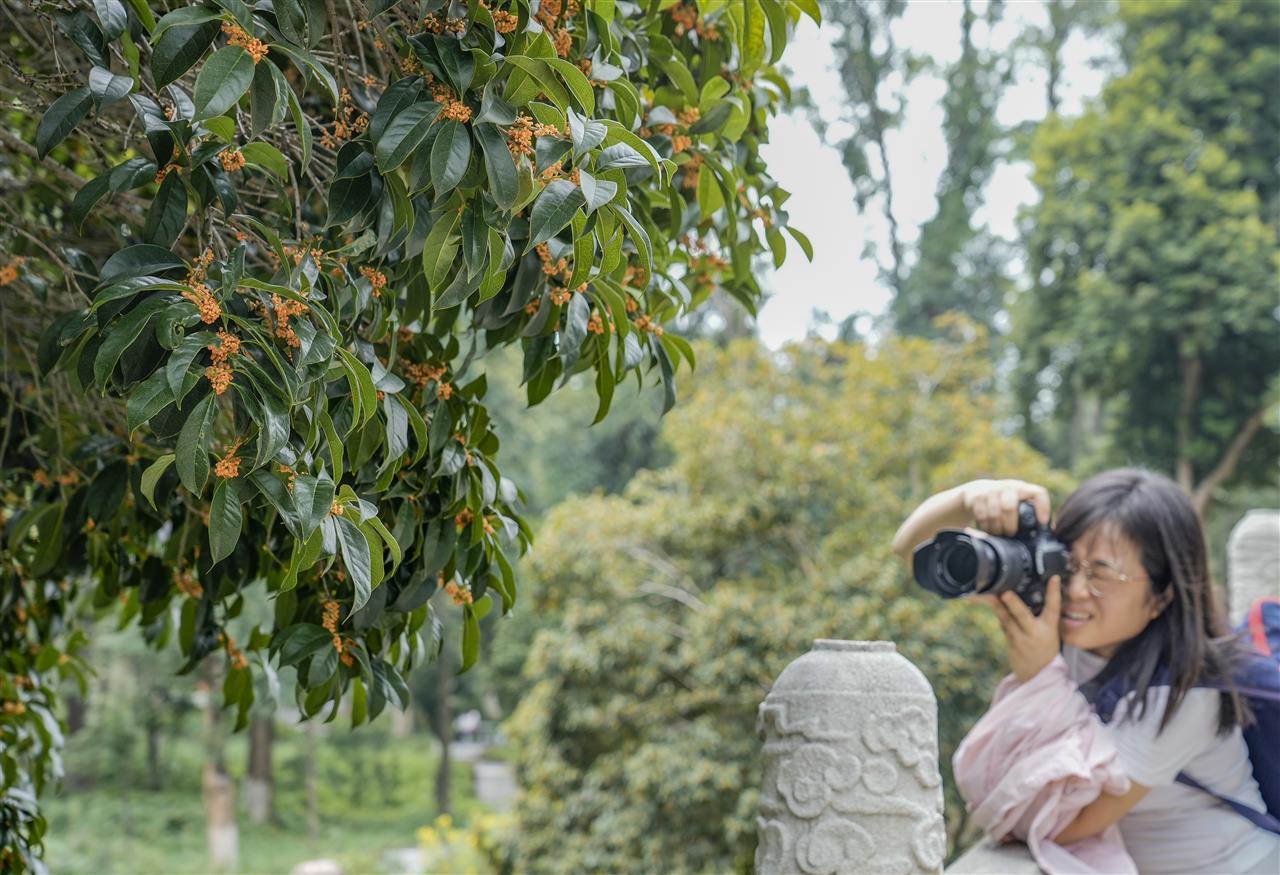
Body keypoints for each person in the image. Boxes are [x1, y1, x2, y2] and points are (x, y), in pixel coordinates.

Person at [892, 469, 1280, 874]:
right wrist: (972, 496)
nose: (1075, 590)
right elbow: (913, 552)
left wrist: (1040, 679)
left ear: (1161, 596)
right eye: (1068, 564)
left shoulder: (1186, 692)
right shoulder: (1053, 604)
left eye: (1101, 574)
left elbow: (1067, 825)